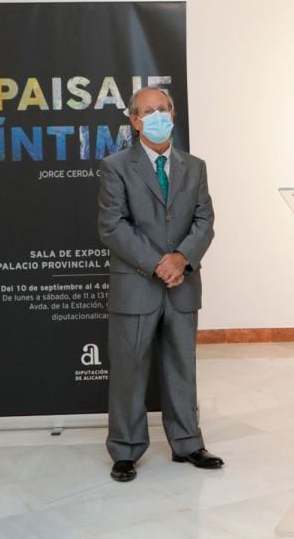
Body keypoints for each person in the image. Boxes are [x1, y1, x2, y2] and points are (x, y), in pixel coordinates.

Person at [98, 86, 223, 482]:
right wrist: (157, 263)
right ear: (134, 121)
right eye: (147, 111)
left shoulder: (195, 166)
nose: (156, 116)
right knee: (129, 369)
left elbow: (204, 221)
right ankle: (126, 450)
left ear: (173, 114)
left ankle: (187, 442)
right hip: (136, 283)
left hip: (182, 284)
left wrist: (182, 259)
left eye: (162, 109)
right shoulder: (116, 166)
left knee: (182, 366)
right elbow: (112, 226)